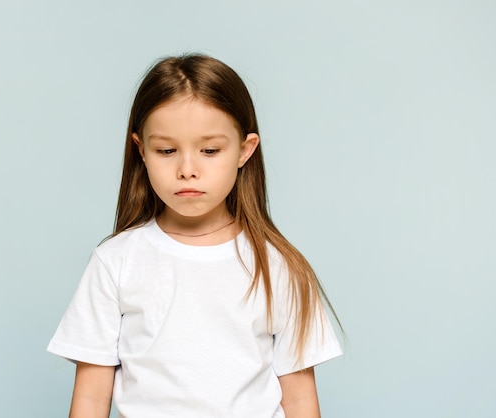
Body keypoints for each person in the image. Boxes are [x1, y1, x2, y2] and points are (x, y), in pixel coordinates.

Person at [48, 53, 343, 418]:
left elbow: (299, 401)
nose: (188, 170)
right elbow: (91, 400)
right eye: (167, 150)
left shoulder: (280, 267)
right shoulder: (116, 262)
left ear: (245, 150)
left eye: (209, 150)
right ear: (142, 151)